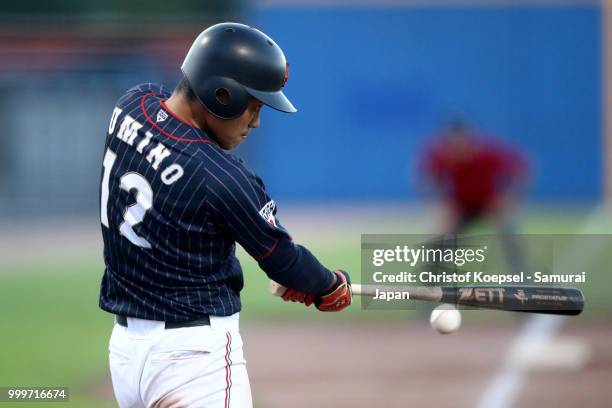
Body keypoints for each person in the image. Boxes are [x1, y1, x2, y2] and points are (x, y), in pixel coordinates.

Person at [98, 22, 352, 408]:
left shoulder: (131, 104)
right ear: (223, 94)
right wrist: (330, 283)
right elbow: (286, 262)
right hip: (194, 362)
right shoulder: (221, 177)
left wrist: (303, 280)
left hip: (126, 355)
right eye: (252, 107)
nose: (255, 122)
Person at [420, 118, 528, 273]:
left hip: (488, 204)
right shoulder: (442, 156)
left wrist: (508, 197)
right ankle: (432, 277)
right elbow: (426, 177)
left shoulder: (487, 153)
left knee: (508, 228)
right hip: (461, 207)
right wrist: (439, 204)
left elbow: (521, 168)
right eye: (453, 143)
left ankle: (521, 273)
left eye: (461, 142)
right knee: (441, 234)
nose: (458, 148)